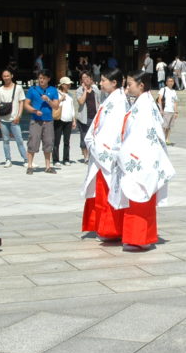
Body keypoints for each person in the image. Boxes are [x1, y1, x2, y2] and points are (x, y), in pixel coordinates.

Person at [115, 71, 175, 251]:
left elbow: (144, 135)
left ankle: (139, 238)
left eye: (130, 84)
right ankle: (140, 237)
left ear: (141, 85)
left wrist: (129, 154)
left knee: (139, 199)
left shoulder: (146, 106)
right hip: (139, 156)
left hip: (142, 158)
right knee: (138, 199)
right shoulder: (143, 103)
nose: (128, 88)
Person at [81, 68, 128, 241]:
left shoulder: (120, 101)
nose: (100, 83)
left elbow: (114, 130)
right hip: (100, 148)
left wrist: (100, 146)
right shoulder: (111, 99)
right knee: (100, 191)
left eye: (103, 80)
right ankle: (102, 226)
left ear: (114, 82)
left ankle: (110, 229)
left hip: (107, 151)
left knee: (106, 191)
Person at [23, 69, 59, 174]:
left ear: (48, 79)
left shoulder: (53, 90)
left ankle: (48, 166)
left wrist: (48, 99)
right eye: (40, 78)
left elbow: (56, 106)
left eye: (43, 78)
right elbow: (26, 104)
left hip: (48, 120)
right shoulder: (32, 89)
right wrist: (34, 110)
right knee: (33, 142)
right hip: (36, 120)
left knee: (48, 143)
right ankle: (29, 166)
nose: (41, 80)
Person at [0, 68, 26, 167]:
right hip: (3, 119)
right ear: (2, 77)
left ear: (12, 76)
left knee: (19, 140)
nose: (6, 78)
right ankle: (8, 159)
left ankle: (25, 159)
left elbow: (21, 102)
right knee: (5, 140)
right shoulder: (0, 90)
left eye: (8, 75)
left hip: (14, 119)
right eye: (4, 76)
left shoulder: (18, 88)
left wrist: (19, 115)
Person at [75, 71, 101, 162]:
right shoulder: (79, 90)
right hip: (84, 118)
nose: (85, 80)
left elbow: (98, 101)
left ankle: (92, 155)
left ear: (91, 79)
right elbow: (81, 102)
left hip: (94, 117)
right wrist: (85, 90)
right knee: (84, 137)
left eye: (87, 77)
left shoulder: (95, 89)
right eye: (83, 78)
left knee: (94, 138)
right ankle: (85, 157)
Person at [53, 76, 77, 165]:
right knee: (57, 140)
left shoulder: (70, 95)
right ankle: (55, 159)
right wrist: (60, 99)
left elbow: (72, 108)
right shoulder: (56, 94)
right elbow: (54, 105)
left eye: (69, 84)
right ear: (62, 85)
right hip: (59, 119)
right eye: (67, 84)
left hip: (68, 120)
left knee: (67, 141)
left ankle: (66, 159)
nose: (69, 86)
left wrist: (74, 120)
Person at [156, 76, 179, 145]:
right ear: (166, 82)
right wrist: (161, 109)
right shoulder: (163, 89)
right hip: (165, 110)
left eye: (172, 81)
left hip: (172, 111)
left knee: (169, 127)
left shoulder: (174, 91)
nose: (170, 83)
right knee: (164, 126)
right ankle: (161, 139)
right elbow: (159, 99)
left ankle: (167, 139)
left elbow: (175, 102)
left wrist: (176, 112)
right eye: (169, 81)